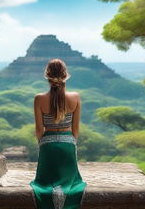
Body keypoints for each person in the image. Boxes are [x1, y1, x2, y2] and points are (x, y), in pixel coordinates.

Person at [30, 58, 87, 209]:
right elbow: (75, 130)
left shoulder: (39, 98)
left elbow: (38, 130)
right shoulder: (75, 97)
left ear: (47, 76)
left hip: (47, 146)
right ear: (65, 75)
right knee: (72, 185)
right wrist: (68, 144)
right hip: (67, 145)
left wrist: (44, 145)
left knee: (44, 185)